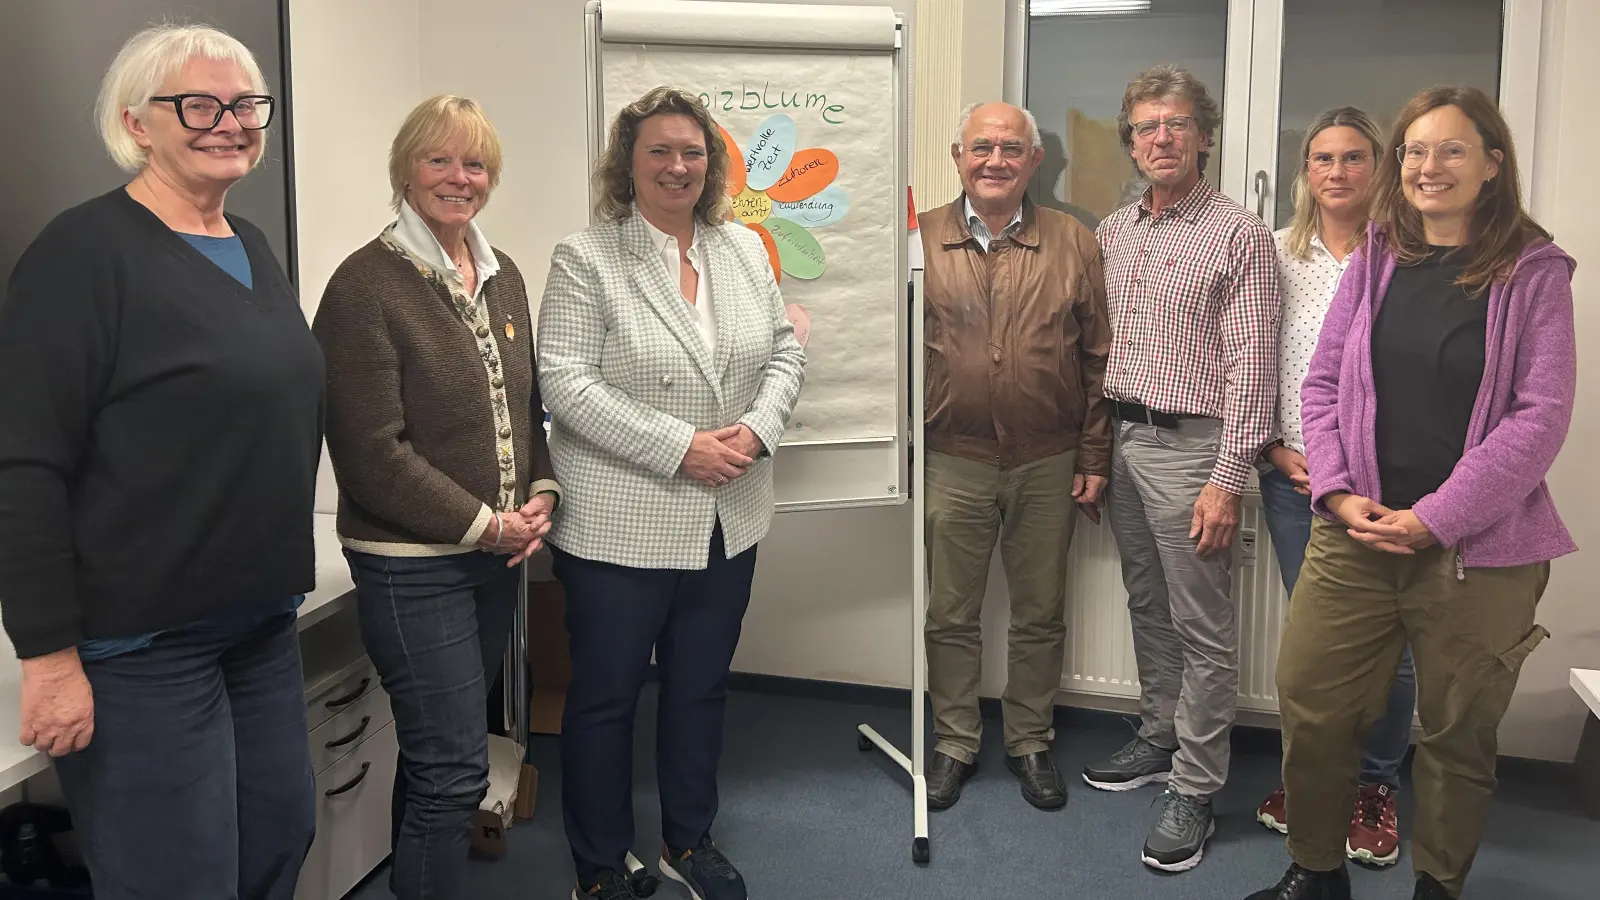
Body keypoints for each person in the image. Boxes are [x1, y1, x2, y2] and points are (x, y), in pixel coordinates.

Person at [0, 24, 319, 899]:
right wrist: (50, 657)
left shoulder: (250, 243)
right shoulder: (83, 254)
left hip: (258, 623)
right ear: (138, 123)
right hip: (144, 645)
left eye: (246, 104)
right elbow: (24, 465)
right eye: (198, 104)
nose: (231, 122)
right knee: (177, 879)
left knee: (276, 844)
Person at [1246, 85, 1576, 900]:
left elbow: (1541, 418)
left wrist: (1437, 518)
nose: (1430, 167)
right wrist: (1337, 490)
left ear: (1493, 165)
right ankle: (1317, 871)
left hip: (1477, 550)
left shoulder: (1532, 273)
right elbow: (1322, 384)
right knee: (1312, 703)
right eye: (1417, 151)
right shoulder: (1381, 256)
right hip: (1353, 532)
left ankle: (1439, 886)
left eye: (1453, 149)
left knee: (1460, 732)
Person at [537, 86, 806, 900]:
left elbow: (786, 355)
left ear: (711, 164)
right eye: (659, 151)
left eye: (693, 152)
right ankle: (598, 865)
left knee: (699, 688)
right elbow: (566, 382)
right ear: (628, 164)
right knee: (606, 699)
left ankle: (687, 842)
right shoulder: (587, 258)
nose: (678, 166)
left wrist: (755, 432)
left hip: (731, 515)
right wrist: (680, 447)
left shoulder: (743, 252)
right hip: (622, 523)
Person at [312, 94, 560, 900]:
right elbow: (371, 453)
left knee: (437, 760)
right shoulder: (364, 286)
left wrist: (541, 493)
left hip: (492, 558)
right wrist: (488, 524)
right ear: (405, 171)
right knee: (455, 770)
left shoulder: (502, 274)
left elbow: (527, 407)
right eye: (439, 160)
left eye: (475, 163)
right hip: (413, 565)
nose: (460, 178)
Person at [1081, 64, 1280, 873]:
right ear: (1129, 140)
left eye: (1175, 123)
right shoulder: (1114, 231)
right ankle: (1160, 735)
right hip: (1125, 442)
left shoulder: (1240, 234)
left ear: (1205, 133)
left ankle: (1196, 785)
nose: (1160, 138)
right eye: (1145, 126)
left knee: (1203, 627)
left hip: (1195, 448)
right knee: (1146, 601)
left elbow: (1254, 367)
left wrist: (1228, 479)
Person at [919, 102, 1112, 812]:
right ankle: (954, 742)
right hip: (952, 456)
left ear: (1034, 161)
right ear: (957, 155)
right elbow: (900, 351)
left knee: (1039, 612)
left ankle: (1030, 741)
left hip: (1049, 456)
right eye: (981, 147)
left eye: (1011, 148)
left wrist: (1095, 453)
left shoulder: (1072, 241)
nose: (994, 160)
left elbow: (1098, 357)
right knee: (950, 612)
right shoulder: (920, 238)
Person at [1254, 107, 1415, 869]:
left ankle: (1375, 786)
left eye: (1355, 157)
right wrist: (1282, 453)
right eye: (1323, 158)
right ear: (1305, 174)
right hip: (1297, 482)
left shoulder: (1405, 259)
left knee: (1392, 649)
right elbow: (1268, 363)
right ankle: (1317, 782)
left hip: (1383, 489)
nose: (1338, 172)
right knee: (1317, 649)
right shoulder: (1283, 256)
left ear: (1379, 168)